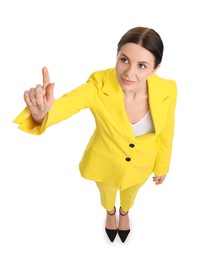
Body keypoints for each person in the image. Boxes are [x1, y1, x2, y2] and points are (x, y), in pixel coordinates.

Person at [13, 26, 177, 243]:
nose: (129, 73)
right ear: (117, 56)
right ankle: (110, 213)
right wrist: (42, 114)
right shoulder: (98, 85)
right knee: (107, 194)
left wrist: (162, 167)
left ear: (155, 68)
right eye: (124, 60)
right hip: (105, 161)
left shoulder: (168, 90)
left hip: (142, 164)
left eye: (142, 65)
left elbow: (167, 132)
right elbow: (68, 104)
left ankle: (125, 213)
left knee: (130, 193)